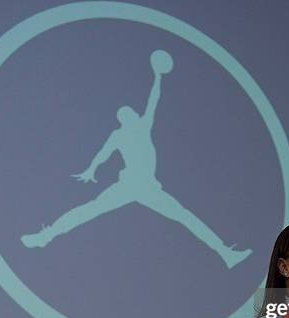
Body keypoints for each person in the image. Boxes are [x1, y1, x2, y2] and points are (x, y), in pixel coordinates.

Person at [20, 49, 251, 269]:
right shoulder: (121, 134)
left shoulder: (142, 126)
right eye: (126, 114)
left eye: (130, 112)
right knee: (88, 210)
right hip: (128, 185)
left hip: (148, 187)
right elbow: (103, 153)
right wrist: (92, 169)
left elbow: (153, 100)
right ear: (122, 119)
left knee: (185, 217)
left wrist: (157, 77)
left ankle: (226, 253)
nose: (130, 114)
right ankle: (45, 235)